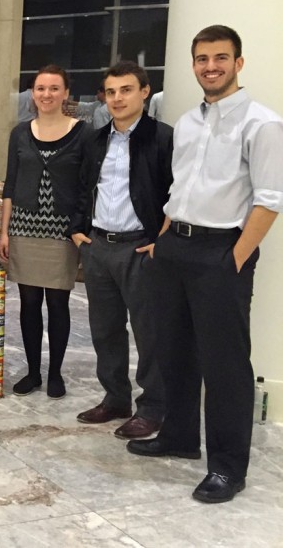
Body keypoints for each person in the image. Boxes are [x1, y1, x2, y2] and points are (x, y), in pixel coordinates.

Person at [126, 25, 283, 504]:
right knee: (173, 351)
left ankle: (228, 468)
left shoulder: (262, 123)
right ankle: (178, 437)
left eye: (220, 58)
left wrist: (232, 260)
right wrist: (166, 239)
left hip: (221, 253)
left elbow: (269, 201)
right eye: (201, 59)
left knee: (225, 367)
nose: (209, 67)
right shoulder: (189, 122)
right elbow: (181, 190)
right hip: (176, 248)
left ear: (238, 62)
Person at [69, 61, 173, 440]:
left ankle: (153, 407)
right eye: (111, 92)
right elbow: (81, 189)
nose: (117, 98)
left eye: (126, 90)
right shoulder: (94, 140)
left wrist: (162, 239)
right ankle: (115, 398)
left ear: (144, 91)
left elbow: (177, 194)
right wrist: (78, 233)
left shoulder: (163, 138)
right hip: (98, 246)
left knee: (149, 332)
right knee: (105, 329)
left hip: (140, 249)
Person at [0, 65, 89, 399]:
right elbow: (11, 184)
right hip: (24, 226)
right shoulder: (20, 133)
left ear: (66, 93)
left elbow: (86, 187)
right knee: (29, 302)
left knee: (58, 303)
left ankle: (55, 374)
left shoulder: (84, 133)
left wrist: (79, 227)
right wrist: (4, 231)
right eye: (40, 89)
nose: (46, 95)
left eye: (54, 88)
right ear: (32, 93)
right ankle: (34, 371)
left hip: (62, 231)